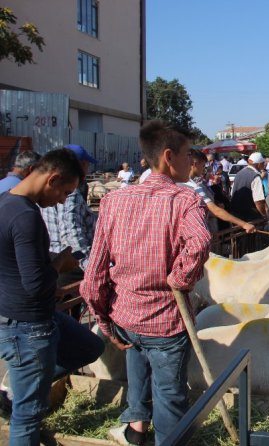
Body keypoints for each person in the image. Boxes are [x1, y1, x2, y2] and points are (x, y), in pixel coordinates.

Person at [81, 121, 212, 446]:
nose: (190, 164)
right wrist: (179, 278)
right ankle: (164, 438)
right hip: (166, 322)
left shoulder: (114, 201)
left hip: (126, 318)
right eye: (186, 156)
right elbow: (200, 242)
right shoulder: (185, 200)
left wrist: (105, 322)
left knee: (137, 361)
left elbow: (94, 273)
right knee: (169, 396)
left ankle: (136, 428)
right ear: (169, 157)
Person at [0, 149, 104, 445]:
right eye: (64, 192)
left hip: (34, 316)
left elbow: (20, 263)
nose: (61, 200)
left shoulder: (9, 205)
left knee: (88, 346)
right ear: (53, 178)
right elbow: (35, 282)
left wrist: (48, 273)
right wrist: (61, 264)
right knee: (27, 415)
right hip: (28, 325)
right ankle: (25, 392)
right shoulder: (24, 216)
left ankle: (28, 385)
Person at [41, 144, 98, 285]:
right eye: (86, 164)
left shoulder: (52, 191)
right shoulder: (70, 194)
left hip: (54, 258)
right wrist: (91, 268)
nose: (87, 168)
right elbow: (71, 234)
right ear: (80, 165)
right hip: (72, 264)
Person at [180, 149, 255, 234]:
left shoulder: (180, 183)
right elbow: (215, 211)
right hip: (197, 232)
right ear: (195, 164)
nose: (204, 169)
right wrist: (244, 224)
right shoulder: (194, 186)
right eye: (203, 166)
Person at [230, 152, 269, 222]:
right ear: (258, 164)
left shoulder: (239, 174)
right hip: (250, 217)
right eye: (263, 163)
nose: (264, 165)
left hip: (237, 216)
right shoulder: (255, 177)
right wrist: (264, 215)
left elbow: (232, 194)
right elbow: (259, 202)